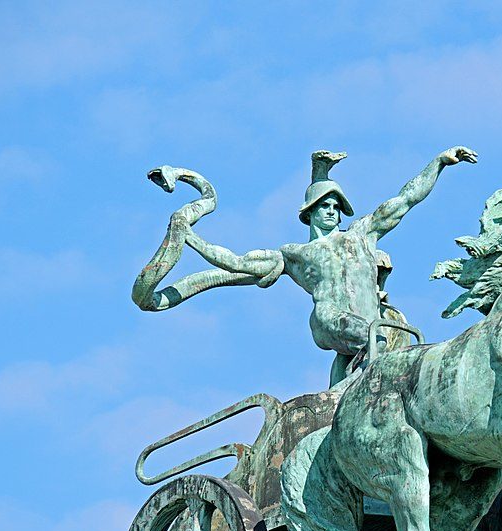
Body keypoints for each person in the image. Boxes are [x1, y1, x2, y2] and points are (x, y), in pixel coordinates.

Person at [132, 147, 477, 385]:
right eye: (324, 205)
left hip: (368, 326)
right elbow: (237, 263)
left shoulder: (360, 235)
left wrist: (439, 162)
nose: (331, 211)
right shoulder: (293, 254)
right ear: (309, 212)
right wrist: (191, 238)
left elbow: (404, 200)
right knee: (374, 342)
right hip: (331, 321)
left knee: (392, 343)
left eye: (336, 206)